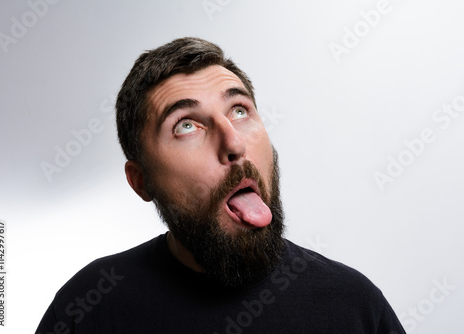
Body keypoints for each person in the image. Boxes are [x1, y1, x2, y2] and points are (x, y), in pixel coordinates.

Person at [36, 37, 405, 333]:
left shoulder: (354, 306)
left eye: (239, 110)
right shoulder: (88, 307)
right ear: (141, 181)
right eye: (186, 125)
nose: (233, 143)